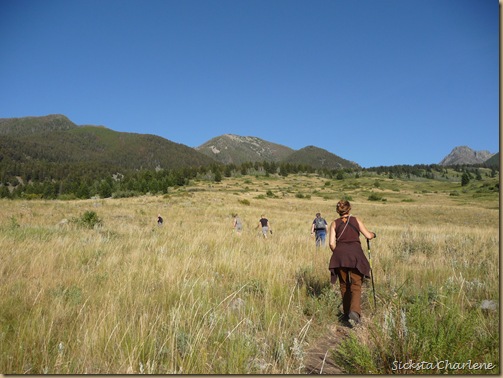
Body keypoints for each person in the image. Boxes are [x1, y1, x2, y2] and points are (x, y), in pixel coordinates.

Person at [328, 200, 376, 326]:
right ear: (349, 209)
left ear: (338, 210)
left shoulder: (334, 223)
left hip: (340, 257)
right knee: (356, 284)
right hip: (355, 256)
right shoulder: (356, 220)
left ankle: (345, 314)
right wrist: (373, 234)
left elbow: (332, 243)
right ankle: (354, 311)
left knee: (344, 285)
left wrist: (339, 252)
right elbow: (368, 236)